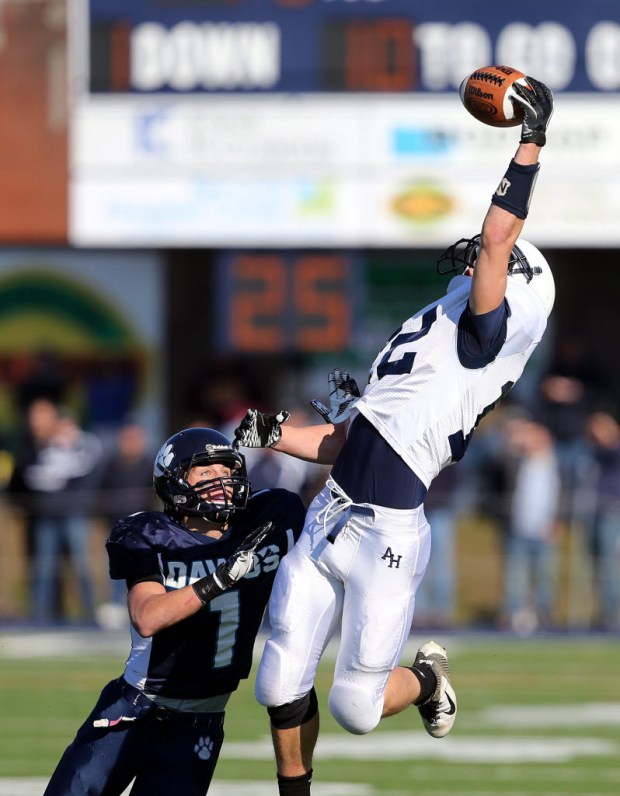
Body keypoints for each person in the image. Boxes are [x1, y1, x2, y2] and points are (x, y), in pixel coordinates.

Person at [234, 76, 555, 795]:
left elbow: (502, 234)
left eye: (493, 258)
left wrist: (530, 140)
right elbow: (344, 442)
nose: (477, 254)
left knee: (354, 707)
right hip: (333, 508)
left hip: (388, 535)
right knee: (279, 673)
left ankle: (425, 675)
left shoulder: (486, 336)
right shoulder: (427, 333)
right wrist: (270, 433)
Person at [44, 426, 305, 795]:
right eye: (206, 472)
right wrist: (216, 581)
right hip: (135, 708)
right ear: (176, 480)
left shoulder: (270, 518)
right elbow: (147, 616)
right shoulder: (149, 533)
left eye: (227, 470)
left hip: (202, 720)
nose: (222, 480)